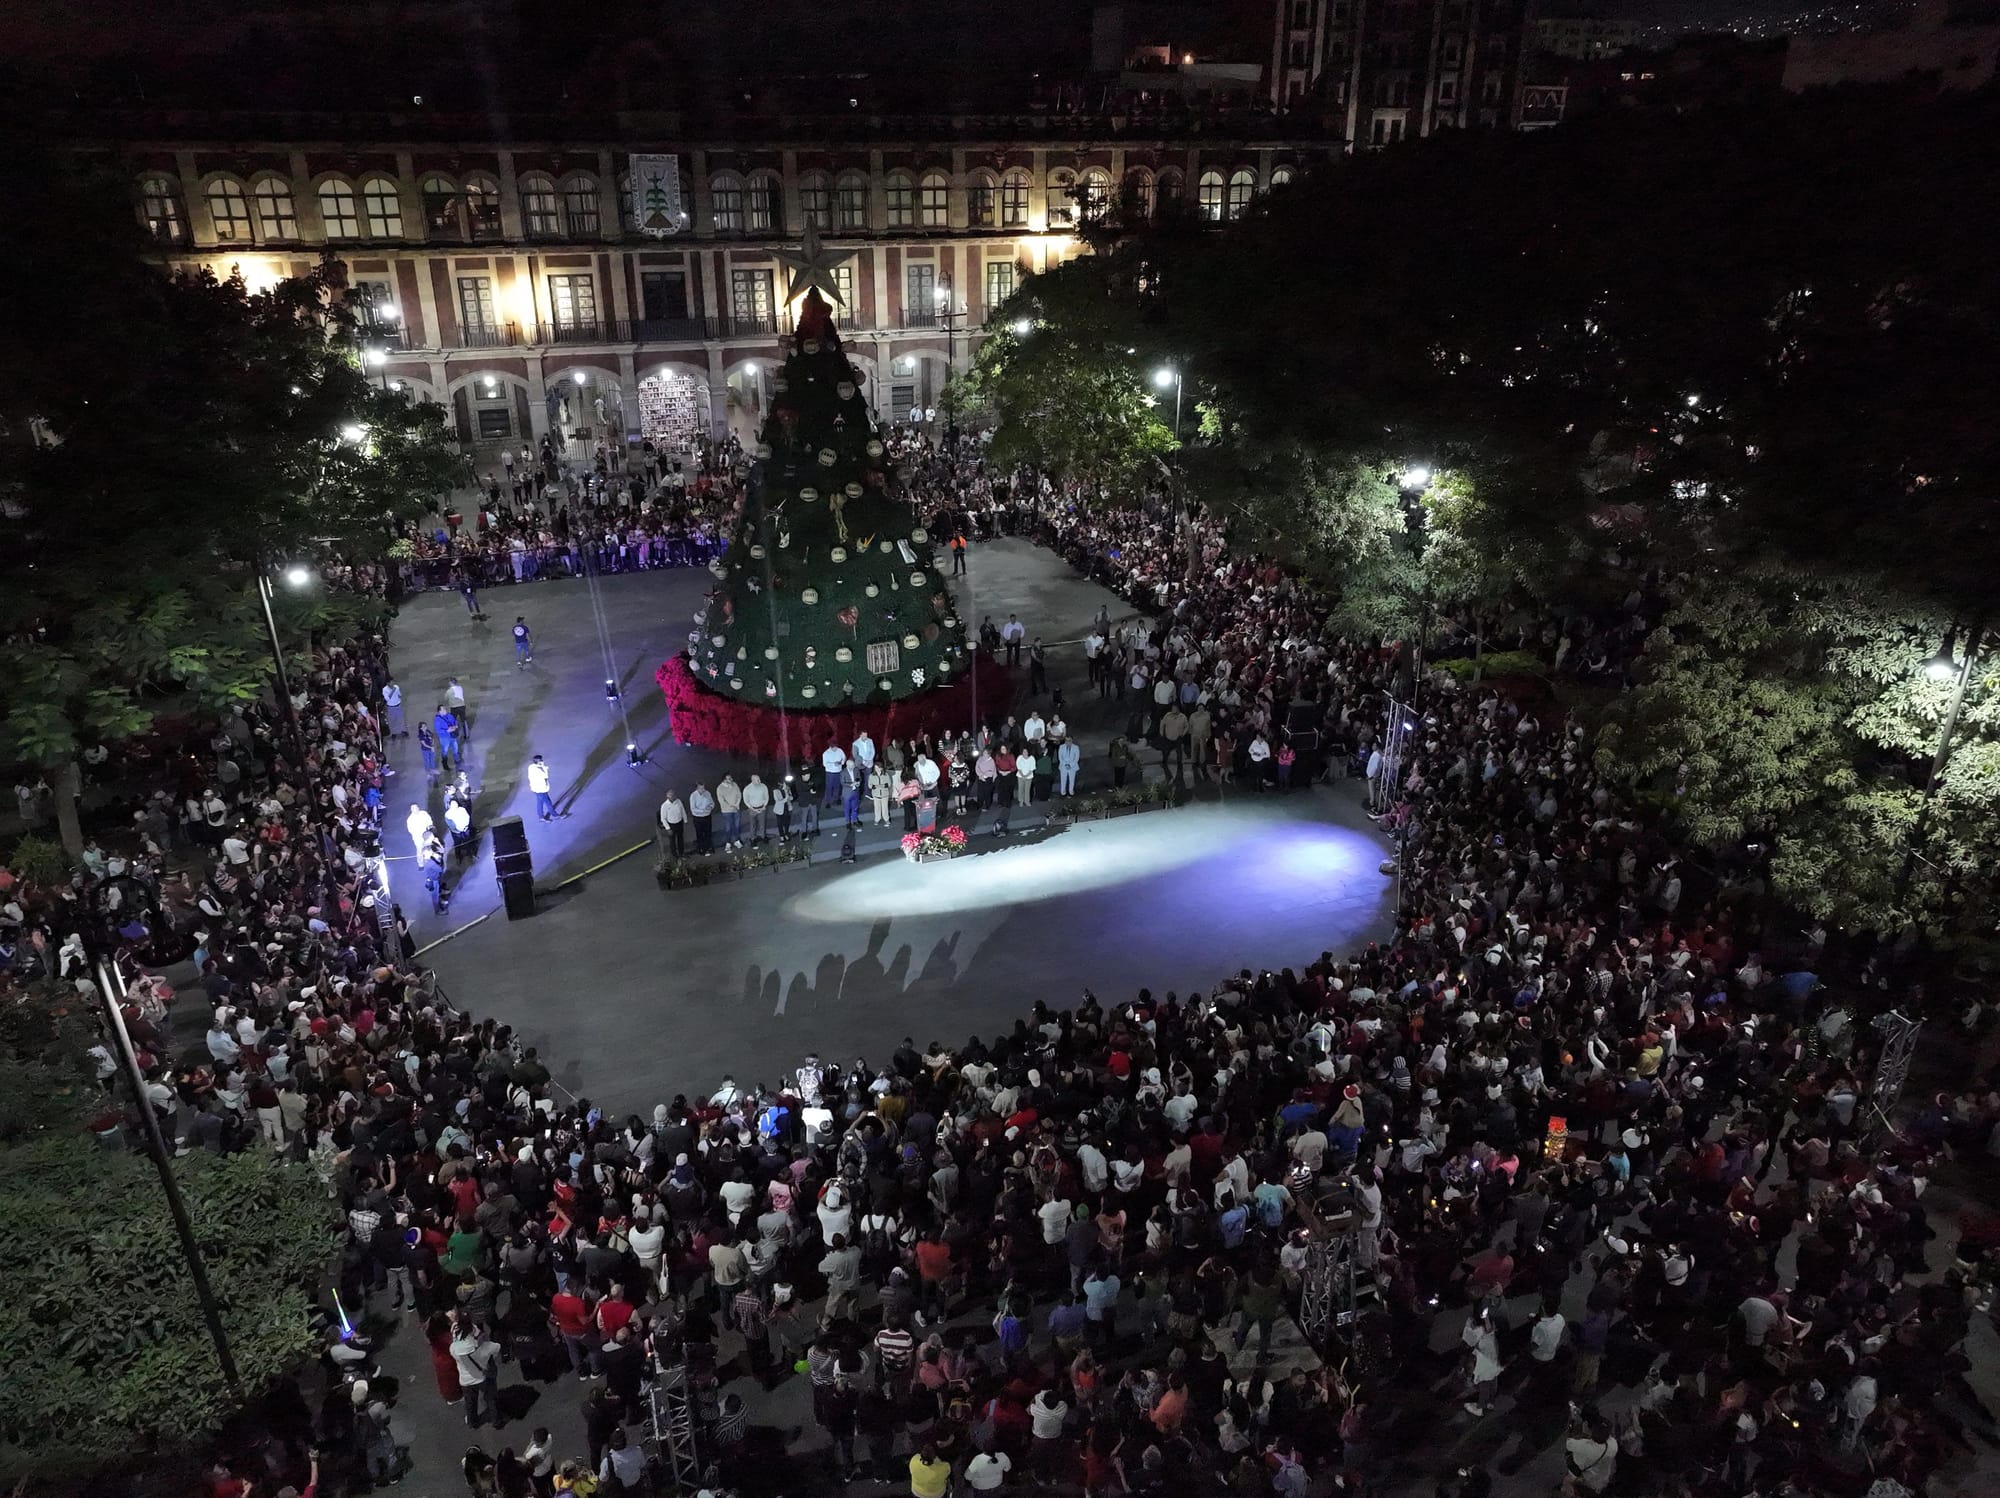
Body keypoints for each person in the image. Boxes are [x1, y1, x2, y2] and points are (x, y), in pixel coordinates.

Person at [449, 1316, 503, 1428]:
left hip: (465, 1381)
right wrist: (484, 1339)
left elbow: (456, 1341)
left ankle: (472, 1422)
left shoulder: (454, 1349)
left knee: (470, 1403)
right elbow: (497, 1348)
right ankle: (496, 1421)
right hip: (484, 1378)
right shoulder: (486, 1348)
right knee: (491, 1399)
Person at [716, 773, 743, 850]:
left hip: (736, 809)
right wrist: (731, 806)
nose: (731, 779)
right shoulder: (720, 788)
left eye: (731, 778)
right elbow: (721, 800)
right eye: (729, 778)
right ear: (724, 780)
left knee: (737, 826)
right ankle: (728, 843)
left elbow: (739, 795)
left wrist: (737, 804)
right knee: (728, 827)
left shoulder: (734, 785)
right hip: (727, 811)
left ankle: (737, 841)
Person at [527, 754, 557, 821]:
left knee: (543, 802)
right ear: (538, 761)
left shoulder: (531, 767)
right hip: (540, 789)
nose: (542, 761)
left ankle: (546, 816)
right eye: (541, 760)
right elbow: (545, 776)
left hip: (537, 789)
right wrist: (544, 767)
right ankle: (552, 815)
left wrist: (542, 766)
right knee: (545, 802)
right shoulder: (537, 770)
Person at [742, 772, 770, 842]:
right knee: (752, 825)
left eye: (759, 779)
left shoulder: (763, 786)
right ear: (753, 780)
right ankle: (753, 839)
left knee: (762, 824)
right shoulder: (747, 789)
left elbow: (767, 797)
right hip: (752, 809)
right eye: (757, 780)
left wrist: (764, 806)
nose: (759, 781)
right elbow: (746, 801)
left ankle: (763, 837)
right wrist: (752, 808)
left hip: (762, 808)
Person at [658, 789, 686, 858]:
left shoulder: (678, 801)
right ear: (668, 797)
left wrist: (685, 820)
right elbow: (663, 819)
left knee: (680, 839)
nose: (674, 797)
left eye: (674, 795)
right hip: (671, 825)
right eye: (672, 795)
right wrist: (668, 828)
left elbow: (682, 810)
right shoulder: (664, 806)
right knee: (672, 841)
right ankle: (675, 856)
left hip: (679, 823)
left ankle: (682, 853)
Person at [688, 783, 715, 854]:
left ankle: (709, 847)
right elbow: (693, 809)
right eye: (701, 788)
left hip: (707, 816)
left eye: (704, 788)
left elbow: (712, 803)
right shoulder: (693, 796)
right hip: (698, 818)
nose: (703, 790)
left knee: (708, 833)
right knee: (700, 834)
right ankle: (702, 849)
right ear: (697, 788)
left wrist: (711, 807)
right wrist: (702, 810)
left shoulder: (707, 793)